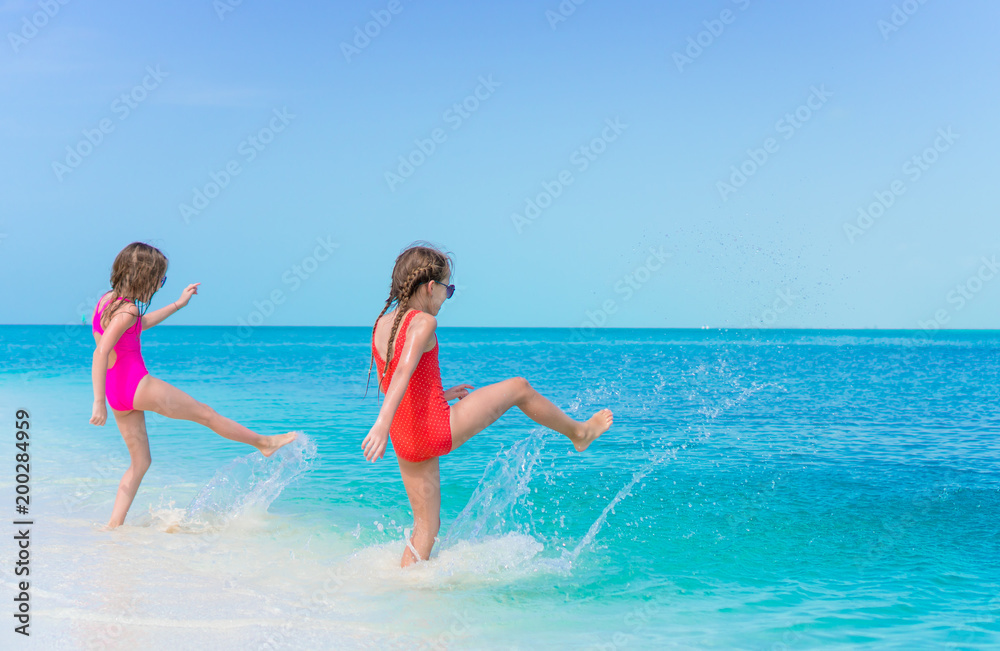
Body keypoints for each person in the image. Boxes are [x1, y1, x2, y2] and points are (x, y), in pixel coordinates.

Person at [364, 242, 613, 566]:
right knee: (519, 388)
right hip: (429, 430)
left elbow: (398, 378)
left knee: (425, 529)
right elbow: (402, 372)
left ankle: (406, 593)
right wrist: (380, 426)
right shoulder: (423, 323)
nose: (447, 297)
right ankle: (580, 433)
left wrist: (437, 395)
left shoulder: (382, 324)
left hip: (406, 438)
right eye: (448, 289)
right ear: (430, 287)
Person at [90, 242, 297, 528]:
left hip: (118, 394)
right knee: (206, 414)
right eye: (159, 279)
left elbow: (136, 325)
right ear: (143, 277)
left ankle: (113, 526)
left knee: (141, 463)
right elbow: (101, 352)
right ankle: (264, 443)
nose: (159, 285)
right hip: (136, 385)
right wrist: (96, 401)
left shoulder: (107, 302)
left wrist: (177, 304)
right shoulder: (128, 312)